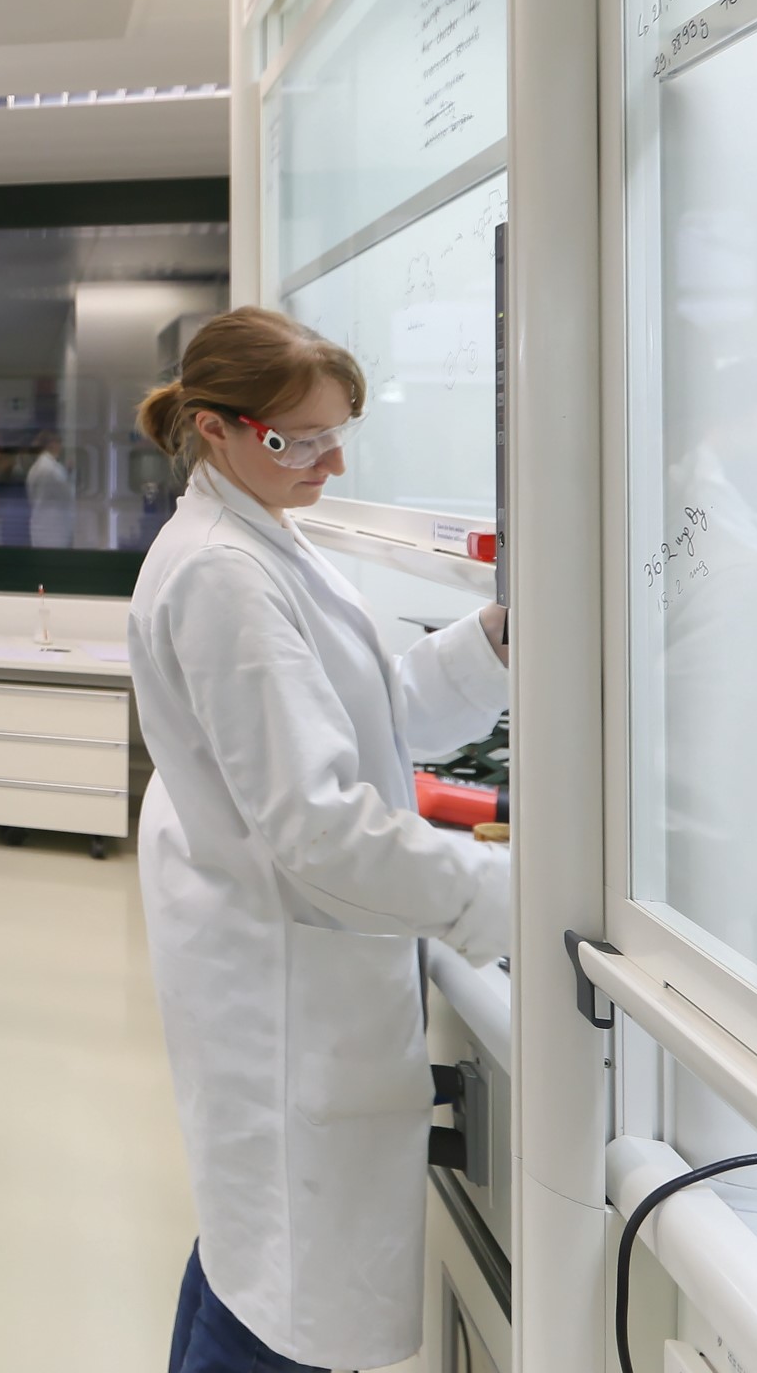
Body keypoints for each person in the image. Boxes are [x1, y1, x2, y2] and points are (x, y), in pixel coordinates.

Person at [124, 308, 509, 1373]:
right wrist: (502, 895)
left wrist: (492, 641)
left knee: (252, 1256)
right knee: (281, 1297)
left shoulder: (265, 535)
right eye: (301, 440)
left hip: (286, 959)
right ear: (214, 428)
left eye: (339, 433)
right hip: (282, 980)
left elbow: (373, 713)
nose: (332, 463)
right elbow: (321, 829)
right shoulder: (223, 572)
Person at [24, 429, 75, 548]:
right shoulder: (50, 469)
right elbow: (67, 496)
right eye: (59, 443)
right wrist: (71, 475)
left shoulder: (36, 468)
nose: (60, 447)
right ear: (52, 444)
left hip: (42, 526)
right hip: (53, 529)